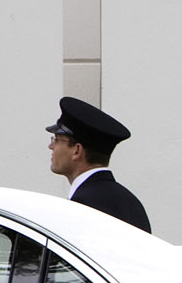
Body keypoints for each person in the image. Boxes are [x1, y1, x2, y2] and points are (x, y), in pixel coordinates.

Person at [47, 95, 149, 231]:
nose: (51, 146)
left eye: (57, 140)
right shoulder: (131, 202)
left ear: (76, 150)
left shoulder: (83, 204)